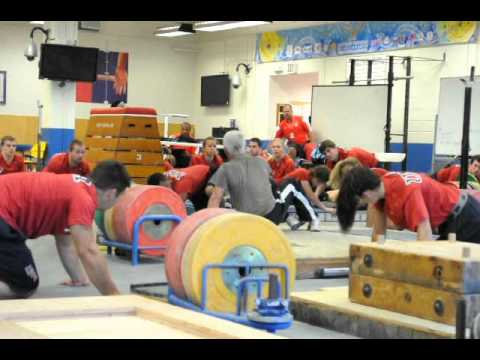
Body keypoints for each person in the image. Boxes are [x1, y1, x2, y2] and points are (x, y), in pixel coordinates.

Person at [0, 160, 131, 299]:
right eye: (119, 199)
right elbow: (88, 251)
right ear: (111, 193)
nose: (116, 205)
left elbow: (65, 243)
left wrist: (78, 278)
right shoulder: (84, 199)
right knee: (26, 283)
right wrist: (114, 296)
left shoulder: (76, 188)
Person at [207, 130, 322, 231]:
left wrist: (209, 229)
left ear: (225, 149)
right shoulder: (262, 161)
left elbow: (214, 199)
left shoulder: (225, 168)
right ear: (244, 146)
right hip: (270, 217)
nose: (276, 150)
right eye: (274, 147)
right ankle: (312, 218)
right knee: (292, 184)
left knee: (272, 185)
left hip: (246, 220)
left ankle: (291, 218)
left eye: (278, 147)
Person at [336, 167, 480, 243]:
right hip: (451, 219)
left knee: (446, 271)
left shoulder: (407, 192)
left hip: (467, 217)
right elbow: (379, 235)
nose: (363, 203)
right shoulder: (381, 191)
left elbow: (425, 239)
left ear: (365, 194)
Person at [147, 165, 212, 212]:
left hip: (209, 175)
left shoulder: (181, 186)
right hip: (196, 178)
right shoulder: (165, 176)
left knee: (202, 210)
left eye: (163, 189)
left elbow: (178, 205)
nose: (164, 192)